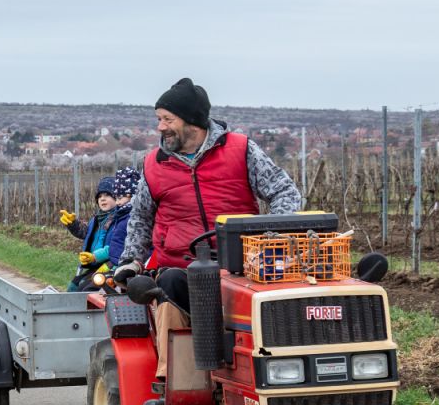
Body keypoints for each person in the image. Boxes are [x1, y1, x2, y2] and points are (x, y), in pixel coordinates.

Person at [112, 78, 301, 375]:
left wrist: (271, 239)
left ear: (192, 121)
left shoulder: (241, 150)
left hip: (243, 266)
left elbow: (285, 192)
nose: (160, 127)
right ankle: (175, 382)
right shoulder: (154, 164)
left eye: (167, 119)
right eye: (158, 119)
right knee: (169, 285)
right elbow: (140, 218)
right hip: (183, 268)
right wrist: (131, 262)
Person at [59, 174, 130, 292]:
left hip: (110, 265)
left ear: (117, 198)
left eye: (107, 195)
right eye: (100, 196)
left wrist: (94, 257)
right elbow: (86, 233)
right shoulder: (97, 219)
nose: (102, 199)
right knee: (74, 285)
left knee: (84, 288)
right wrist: (73, 224)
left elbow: (116, 246)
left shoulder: (119, 219)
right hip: (95, 265)